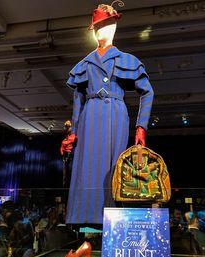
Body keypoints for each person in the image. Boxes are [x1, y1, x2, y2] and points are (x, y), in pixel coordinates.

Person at [66, 1, 154, 225]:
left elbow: (147, 92)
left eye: (104, 25)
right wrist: (72, 133)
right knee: (85, 165)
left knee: (113, 164)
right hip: (90, 113)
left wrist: (141, 126)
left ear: (113, 26)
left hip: (115, 113)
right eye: (96, 26)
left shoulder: (127, 60)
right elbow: (78, 99)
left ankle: (111, 221)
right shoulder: (84, 63)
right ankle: (84, 223)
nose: (99, 31)